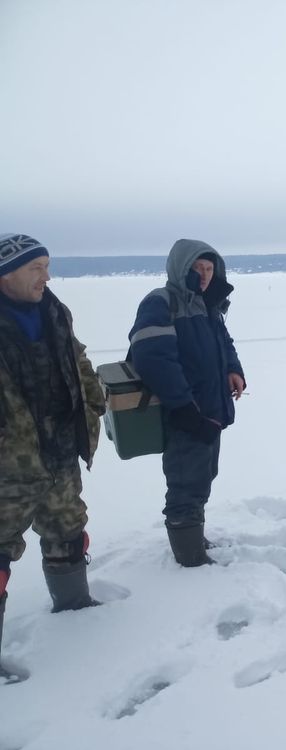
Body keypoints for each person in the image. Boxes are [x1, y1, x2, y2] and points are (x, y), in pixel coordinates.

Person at [0, 234, 106, 681]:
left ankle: (75, 609)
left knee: (67, 531)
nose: (46, 276)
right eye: (35, 268)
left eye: (46, 265)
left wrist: (94, 401)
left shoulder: (55, 311)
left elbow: (77, 358)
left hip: (60, 451)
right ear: (6, 274)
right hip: (9, 468)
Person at [129, 239, 245, 567]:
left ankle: (194, 536)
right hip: (184, 414)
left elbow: (223, 341)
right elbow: (154, 359)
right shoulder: (162, 302)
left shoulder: (207, 304)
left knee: (204, 474)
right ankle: (190, 557)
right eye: (198, 268)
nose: (205, 275)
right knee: (186, 482)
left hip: (210, 409)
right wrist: (184, 410)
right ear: (181, 269)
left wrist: (234, 369)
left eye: (209, 268)